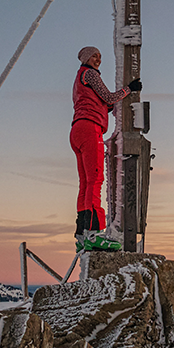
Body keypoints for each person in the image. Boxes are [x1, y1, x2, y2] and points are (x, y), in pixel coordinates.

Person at [70, 45, 142, 251]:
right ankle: (93, 234)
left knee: (85, 182)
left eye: (99, 57)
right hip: (90, 128)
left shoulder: (79, 80)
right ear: (85, 57)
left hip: (77, 129)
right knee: (95, 179)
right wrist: (130, 89)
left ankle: (82, 234)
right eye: (94, 56)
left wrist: (112, 104)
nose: (97, 59)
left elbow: (103, 102)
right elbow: (109, 97)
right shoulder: (90, 74)